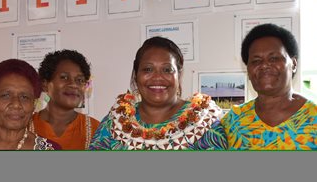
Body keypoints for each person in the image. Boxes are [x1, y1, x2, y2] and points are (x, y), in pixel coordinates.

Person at [89, 36, 226, 150]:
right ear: (136, 75)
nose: (157, 77)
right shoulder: (115, 122)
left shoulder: (204, 122)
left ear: (179, 75)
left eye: (167, 70)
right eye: (148, 69)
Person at [221, 24, 317, 150]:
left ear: (294, 64)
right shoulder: (231, 122)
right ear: (248, 70)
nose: (264, 65)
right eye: (256, 61)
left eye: (274, 58)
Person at [33, 50, 100, 150]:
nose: (73, 85)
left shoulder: (97, 131)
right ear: (45, 84)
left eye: (80, 80)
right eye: (64, 77)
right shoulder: (23, 127)